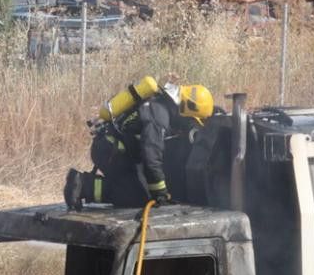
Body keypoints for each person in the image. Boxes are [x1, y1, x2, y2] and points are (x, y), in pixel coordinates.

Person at [64, 83, 214, 209]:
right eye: (191, 120)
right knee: (137, 197)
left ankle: (82, 183)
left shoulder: (158, 104)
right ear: (187, 109)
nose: (188, 124)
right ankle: (83, 185)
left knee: (140, 189)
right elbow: (151, 157)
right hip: (110, 152)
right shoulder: (159, 116)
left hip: (113, 150)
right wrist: (160, 193)